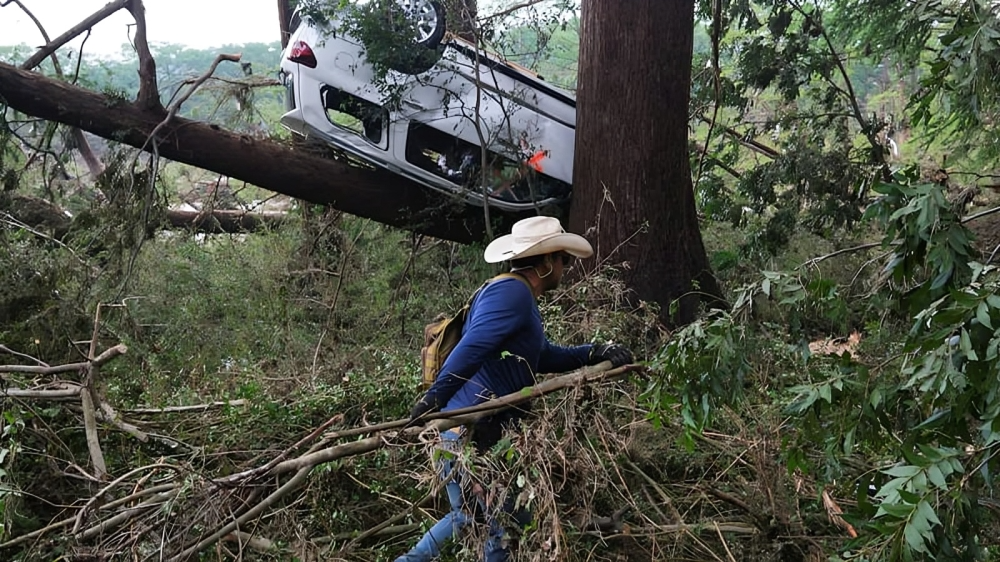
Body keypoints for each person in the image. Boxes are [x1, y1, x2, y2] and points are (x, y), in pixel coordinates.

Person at [395, 216, 633, 562]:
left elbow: (542, 356)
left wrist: (595, 352)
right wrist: (433, 399)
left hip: (464, 431)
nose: (565, 268)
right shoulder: (513, 293)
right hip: (473, 433)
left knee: (471, 517)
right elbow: (473, 347)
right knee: (503, 528)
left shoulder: (512, 294)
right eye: (563, 260)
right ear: (547, 261)